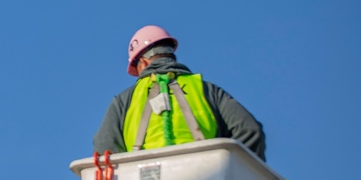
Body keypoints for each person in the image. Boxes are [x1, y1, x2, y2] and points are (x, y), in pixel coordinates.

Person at [93, 25, 266, 159]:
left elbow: (105, 150)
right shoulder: (206, 90)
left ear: (144, 64)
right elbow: (250, 130)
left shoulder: (124, 100)